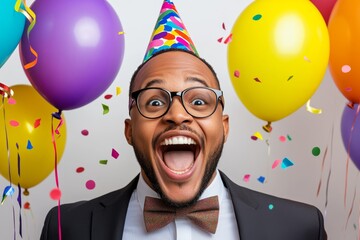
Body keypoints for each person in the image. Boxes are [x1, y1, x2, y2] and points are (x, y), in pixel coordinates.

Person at [40, 0, 327, 239]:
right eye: (154, 101)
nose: (177, 115)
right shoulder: (67, 228)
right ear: (129, 131)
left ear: (224, 127)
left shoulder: (300, 228)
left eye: (199, 101)